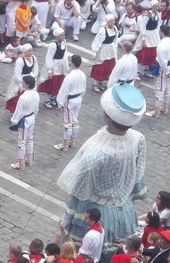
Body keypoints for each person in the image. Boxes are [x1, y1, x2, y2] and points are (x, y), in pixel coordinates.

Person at [56, 83, 147, 242]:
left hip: (93, 213)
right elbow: (137, 176)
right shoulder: (138, 139)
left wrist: (67, 218)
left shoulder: (96, 153)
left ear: (108, 116)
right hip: (123, 212)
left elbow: (79, 190)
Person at [53, 54, 87, 152]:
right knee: (75, 121)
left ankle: (65, 145)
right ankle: (73, 142)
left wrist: (60, 103)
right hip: (78, 99)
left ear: (72, 63)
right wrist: (80, 98)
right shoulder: (82, 74)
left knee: (67, 123)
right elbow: (83, 89)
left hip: (70, 101)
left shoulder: (69, 77)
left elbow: (64, 91)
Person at [145, 26, 170, 117]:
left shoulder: (160, 45)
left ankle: (157, 112)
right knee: (167, 87)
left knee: (159, 89)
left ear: (161, 32)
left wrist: (167, 71)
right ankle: (165, 108)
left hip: (163, 69)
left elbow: (162, 60)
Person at [9, 75, 39, 170]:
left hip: (24, 120)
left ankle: (21, 164)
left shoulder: (23, 97)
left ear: (27, 85)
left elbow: (18, 111)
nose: (22, 84)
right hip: (31, 118)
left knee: (21, 142)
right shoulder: (36, 94)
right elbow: (36, 108)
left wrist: (14, 121)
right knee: (30, 139)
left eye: (23, 83)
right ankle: (30, 160)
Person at [38, 24, 69, 108]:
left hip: (61, 66)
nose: (63, 37)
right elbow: (49, 58)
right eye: (61, 35)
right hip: (54, 66)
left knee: (58, 83)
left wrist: (65, 64)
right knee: (50, 83)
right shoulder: (53, 45)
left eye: (64, 35)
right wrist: (49, 70)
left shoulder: (64, 42)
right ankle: (47, 100)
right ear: (57, 36)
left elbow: (65, 53)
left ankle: (54, 97)